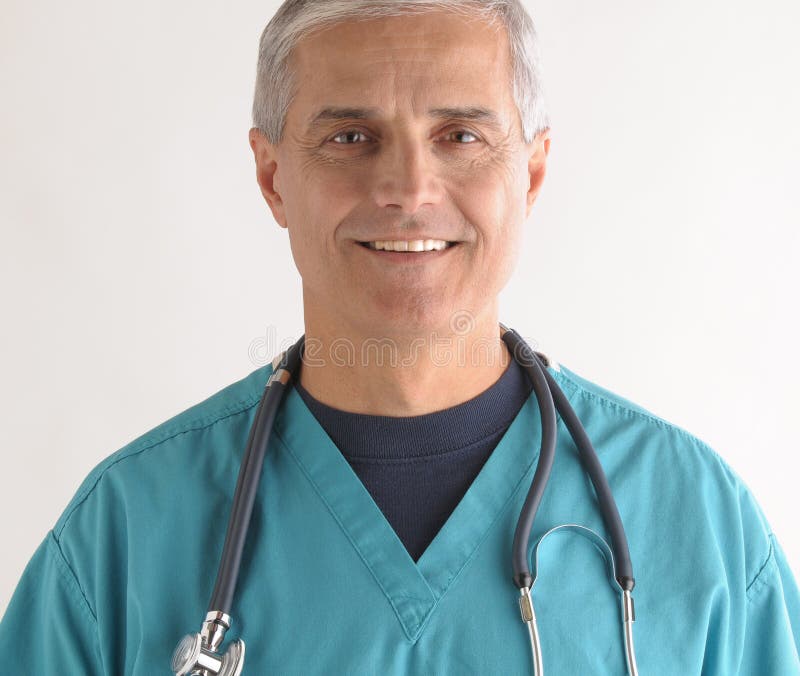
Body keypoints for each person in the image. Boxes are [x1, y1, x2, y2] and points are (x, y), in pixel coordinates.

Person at [2, 0, 799, 673]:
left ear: (531, 173)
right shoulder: (126, 538)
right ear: (273, 176)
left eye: (460, 135)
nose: (408, 191)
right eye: (351, 137)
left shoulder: (700, 526)